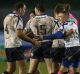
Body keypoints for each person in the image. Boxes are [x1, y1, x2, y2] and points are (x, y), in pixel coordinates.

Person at [40, 4, 80, 74]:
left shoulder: (67, 23)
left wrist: (43, 37)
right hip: (72, 48)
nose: (59, 18)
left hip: (68, 48)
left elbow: (58, 35)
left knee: (62, 70)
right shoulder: (72, 22)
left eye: (60, 16)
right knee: (71, 70)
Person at [2, 2, 41, 74]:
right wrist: (33, 41)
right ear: (20, 9)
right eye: (24, 9)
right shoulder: (18, 18)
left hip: (8, 46)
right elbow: (19, 34)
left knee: (10, 69)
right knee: (23, 68)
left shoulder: (7, 17)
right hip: (16, 45)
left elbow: (13, 31)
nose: (25, 11)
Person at [25, 4, 55, 74]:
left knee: (31, 70)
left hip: (36, 44)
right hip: (47, 44)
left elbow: (24, 33)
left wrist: (33, 38)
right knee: (50, 70)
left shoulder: (31, 20)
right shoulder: (51, 19)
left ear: (37, 10)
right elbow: (57, 31)